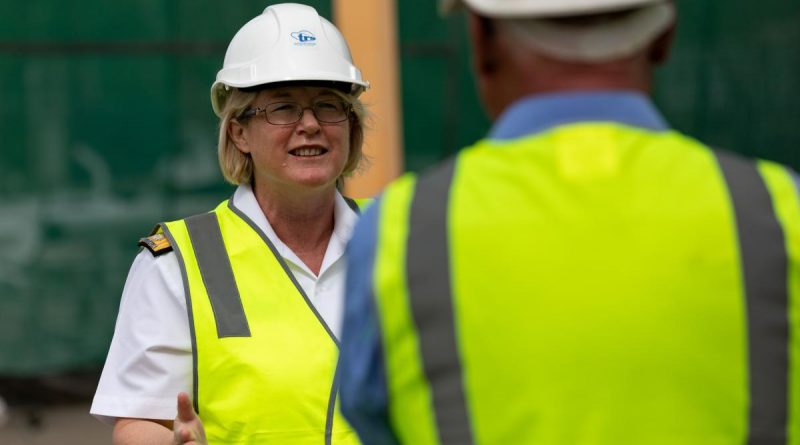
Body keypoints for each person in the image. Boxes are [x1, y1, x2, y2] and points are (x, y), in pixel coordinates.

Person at [340, 0, 800, 443]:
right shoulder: (779, 212)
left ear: (479, 38)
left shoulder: (400, 231)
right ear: (665, 35)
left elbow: (372, 414)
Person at [91, 3, 370, 444]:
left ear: (351, 126)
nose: (311, 125)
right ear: (239, 131)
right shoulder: (178, 262)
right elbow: (141, 419)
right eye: (283, 108)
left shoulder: (401, 237)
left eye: (328, 106)